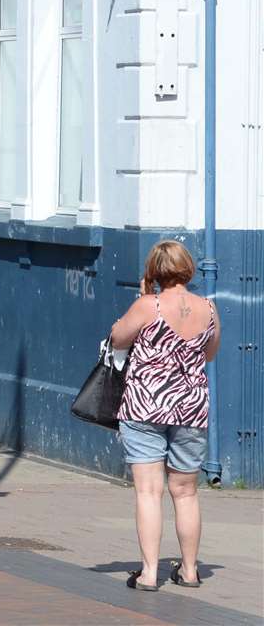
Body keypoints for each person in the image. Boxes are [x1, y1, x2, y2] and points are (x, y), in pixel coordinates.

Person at [109, 240, 220, 592]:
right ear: (187, 268)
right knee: (185, 492)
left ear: (154, 271)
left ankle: (150, 573)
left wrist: (142, 296)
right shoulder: (209, 309)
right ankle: (189, 570)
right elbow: (210, 353)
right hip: (190, 408)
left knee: (149, 490)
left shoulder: (148, 305)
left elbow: (117, 339)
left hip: (145, 406)